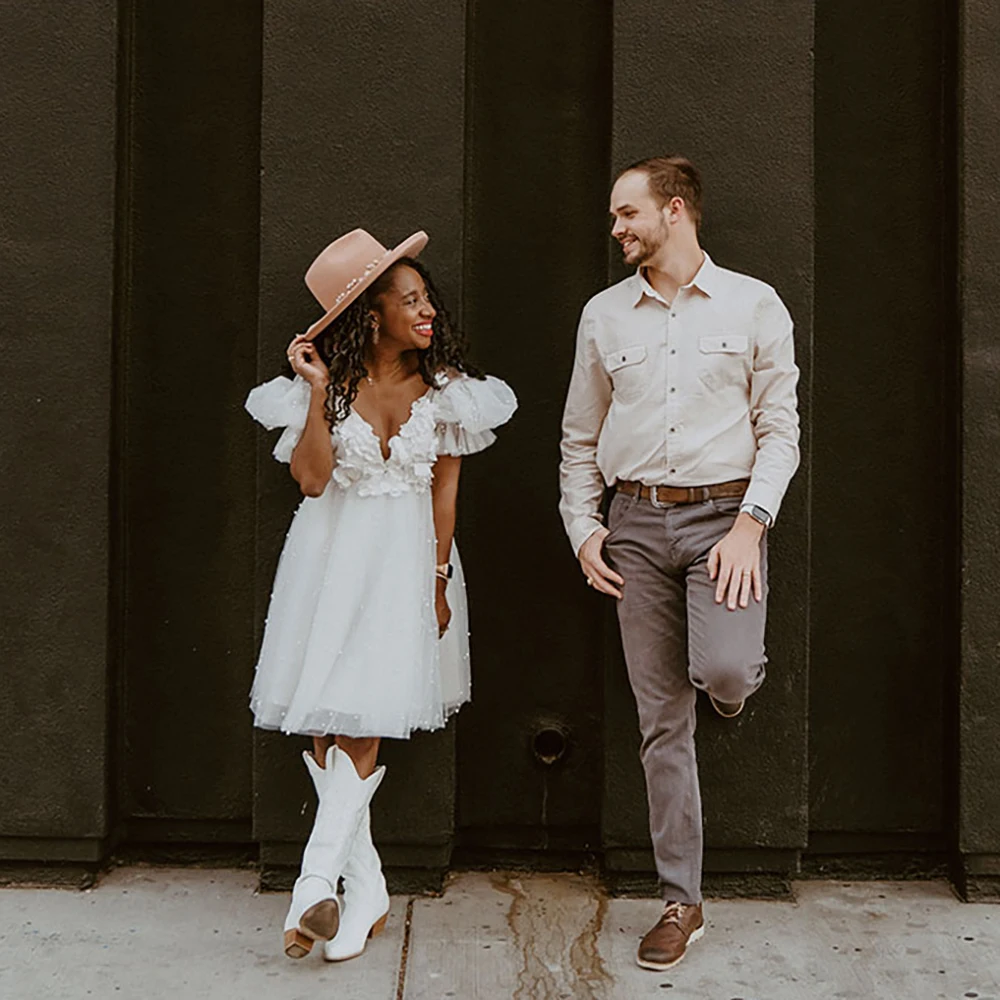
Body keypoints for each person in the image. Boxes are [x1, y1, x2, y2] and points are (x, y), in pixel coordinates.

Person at [245, 228, 516, 963]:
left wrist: (436, 581)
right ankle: (360, 894)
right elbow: (309, 479)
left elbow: (445, 496)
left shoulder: (452, 393)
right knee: (328, 721)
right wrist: (313, 390)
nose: (427, 311)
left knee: (360, 717)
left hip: (406, 561)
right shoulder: (325, 389)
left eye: (427, 298)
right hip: (331, 558)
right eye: (409, 300)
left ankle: (312, 883)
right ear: (370, 313)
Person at [559, 157, 800, 970]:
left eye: (628, 214)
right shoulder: (604, 315)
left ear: (673, 210)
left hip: (722, 524)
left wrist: (750, 528)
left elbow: (781, 430)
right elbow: (579, 439)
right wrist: (584, 530)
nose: (617, 229)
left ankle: (726, 681)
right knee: (661, 722)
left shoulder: (754, 303)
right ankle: (681, 900)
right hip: (633, 526)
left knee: (725, 674)